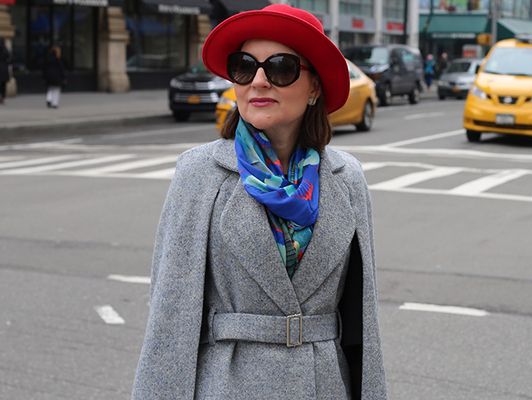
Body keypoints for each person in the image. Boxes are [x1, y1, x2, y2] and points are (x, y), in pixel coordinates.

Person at [132, 4, 387, 400]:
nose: (260, 82)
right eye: (245, 67)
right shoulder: (200, 173)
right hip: (227, 384)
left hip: (323, 385)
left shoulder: (346, 178)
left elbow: (362, 320)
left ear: (315, 86)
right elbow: (171, 318)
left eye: (281, 68)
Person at [0, 40, 11, 105]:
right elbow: (9, 58)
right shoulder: (5, 50)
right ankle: (2, 97)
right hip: (4, 69)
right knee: (3, 85)